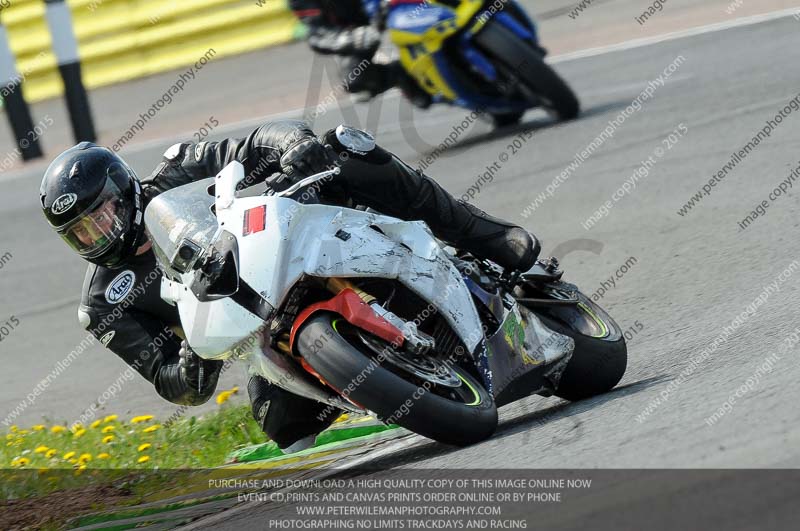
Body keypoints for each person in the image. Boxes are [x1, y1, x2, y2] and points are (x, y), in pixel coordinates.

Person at [39, 120, 538, 452]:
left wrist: (292, 146)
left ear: (123, 189)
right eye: (79, 232)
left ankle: (484, 234)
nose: (96, 235)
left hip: (293, 247)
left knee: (345, 146)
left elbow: (254, 143)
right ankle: (402, 373)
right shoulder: (103, 303)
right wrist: (191, 362)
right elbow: (167, 378)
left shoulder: (176, 168)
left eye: (100, 216)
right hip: (263, 335)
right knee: (283, 426)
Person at [289, 0, 432, 108]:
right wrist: (351, 39)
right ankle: (403, 74)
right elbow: (318, 34)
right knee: (357, 82)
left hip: (401, 5)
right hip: (362, 26)